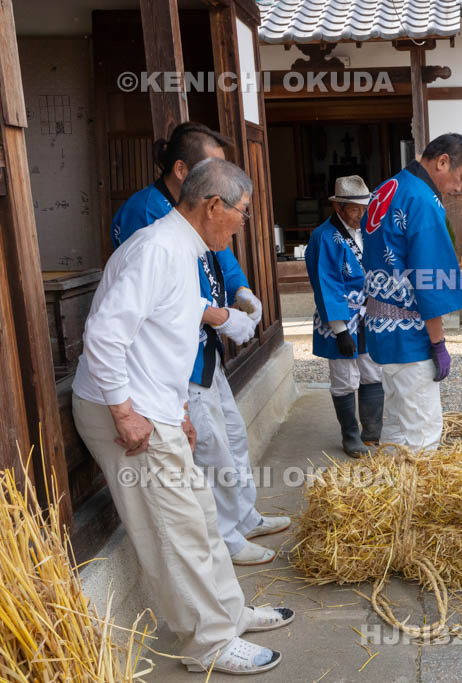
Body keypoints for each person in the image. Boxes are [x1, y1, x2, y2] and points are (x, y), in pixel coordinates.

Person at [73, 159, 295, 675]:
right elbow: (104, 336)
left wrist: (178, 412)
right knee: (174, 531)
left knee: (199, 519)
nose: (243, 223)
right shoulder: (157, 248)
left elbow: (162, 341)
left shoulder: (179, 248)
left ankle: (229, 614)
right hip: (129, 412)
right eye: (241, 212)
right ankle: (208, 643)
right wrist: (125, 413)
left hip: (157, 407)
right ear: (212, 205)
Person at [110, 121, 288, 566]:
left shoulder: (199, 213)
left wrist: (242, 293)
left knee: (231, 435)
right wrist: (221, 316)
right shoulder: (148, 214)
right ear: (182, 170)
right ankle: (226, 536)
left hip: (204, 348)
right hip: (174, 360)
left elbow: (223, 259)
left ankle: (243, 516)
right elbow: (159, 298)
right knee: (209, 449)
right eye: (213, 167)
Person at [361, 134, 462, 451]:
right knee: (423, 433)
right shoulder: (423, 200)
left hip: (381, 331)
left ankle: (392, 495)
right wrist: (438, 342)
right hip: (411, 335)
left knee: (397, 425)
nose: (458, 188)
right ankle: (413, 498)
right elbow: (431, 280)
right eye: (460, 177)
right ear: (442, 162)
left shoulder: (385, 189)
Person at [306, 175, 384, 457]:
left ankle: (372, 433)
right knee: (345, 376)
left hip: (369, 313)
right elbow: (327, 284)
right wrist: (340, 331)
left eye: (364, 208)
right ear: (338, 208)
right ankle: (350, 436)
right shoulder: (324, 237)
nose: (361, 214)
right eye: (354, 209)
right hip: (340, 316)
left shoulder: (367, 231)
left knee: (373, 370)